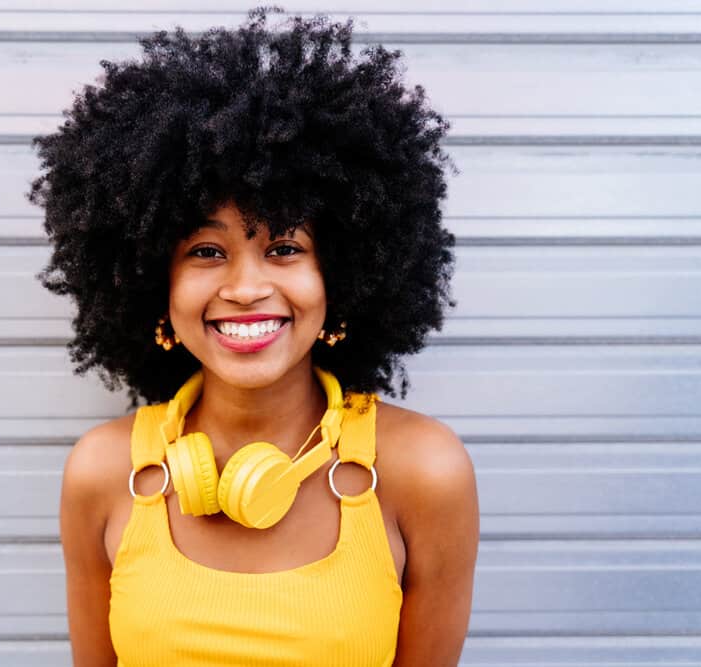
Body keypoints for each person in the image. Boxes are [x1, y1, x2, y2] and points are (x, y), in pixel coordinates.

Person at [28, 6, 479, 666]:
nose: (244, 287)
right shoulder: (103, 473)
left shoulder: (423, 472)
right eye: (206, 251)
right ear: (155, 278)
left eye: (285, 247)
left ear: (341, 275)